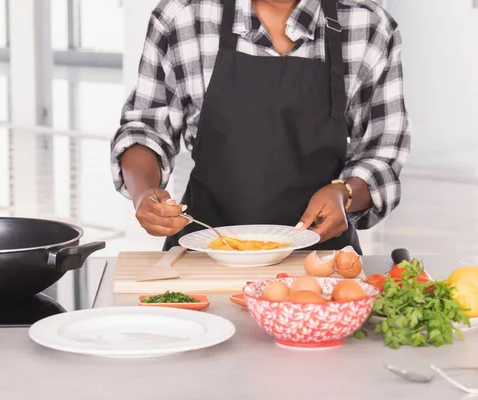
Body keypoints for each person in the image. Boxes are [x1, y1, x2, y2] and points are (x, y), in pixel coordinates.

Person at [110, 0, 411, 253]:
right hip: (203, 254)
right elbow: (146, 128)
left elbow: (382, 155)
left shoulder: (369, 27)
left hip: (319, 265)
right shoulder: (183, 17)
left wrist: (344, 193)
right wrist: (144, 194)